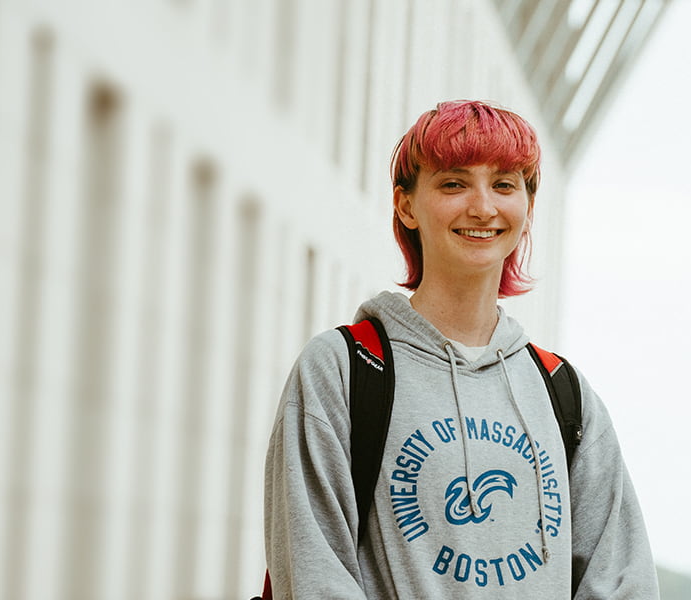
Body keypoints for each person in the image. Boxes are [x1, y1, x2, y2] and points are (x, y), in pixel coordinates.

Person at [263, 100, 658, 599]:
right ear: (406, 205)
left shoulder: (564, 394)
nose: (483, 207)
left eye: (505, 184)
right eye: (454, 183)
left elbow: (623, 581)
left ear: (528, 207)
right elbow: (313, 573)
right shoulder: (343, 370)